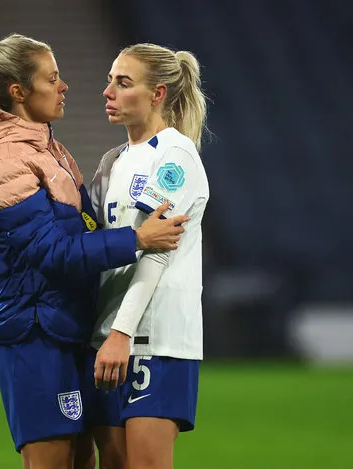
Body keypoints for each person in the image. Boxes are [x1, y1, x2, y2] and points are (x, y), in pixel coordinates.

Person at [0, 32, 190, 469]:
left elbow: (50, 241)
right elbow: (51, 251)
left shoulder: (47, 148)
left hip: (60, 330)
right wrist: (136, 240)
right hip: (35, 335)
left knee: (79, 459)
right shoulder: (5, 161)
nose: (65, 87)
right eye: (52, 78)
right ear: (19, 92)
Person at [88, 43, 210, 469]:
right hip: (108, 341)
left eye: (123, 83)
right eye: (109, 81)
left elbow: (155, 252)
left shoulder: (173, 156)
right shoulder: (111, 163)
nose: (108, 91)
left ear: (158, 94)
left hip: (157, 340)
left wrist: (122, 333)